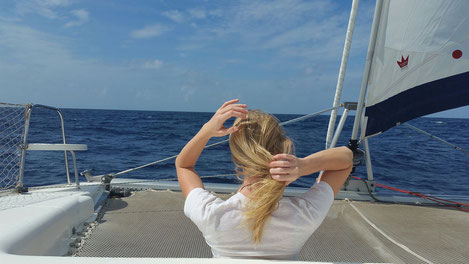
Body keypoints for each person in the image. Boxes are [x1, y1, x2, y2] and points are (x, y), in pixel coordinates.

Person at [175, 99, 353, 260]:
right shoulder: (305, 215)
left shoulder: (210, 215)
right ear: (283, 147)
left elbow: (183, 166)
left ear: (236, 156)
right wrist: (304, 166)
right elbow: (346, 159)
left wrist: (205, 131)